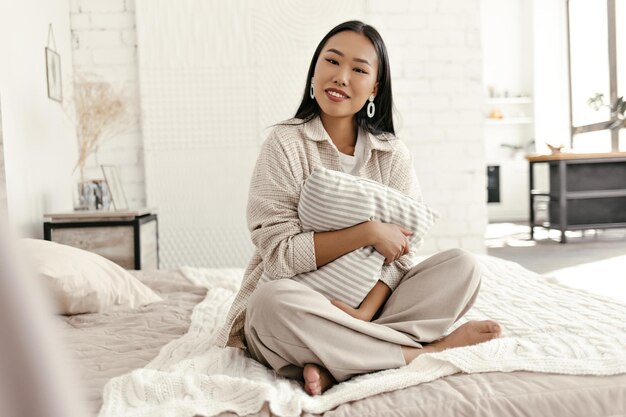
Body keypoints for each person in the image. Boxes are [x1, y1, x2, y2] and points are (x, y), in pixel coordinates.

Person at [216, 20, 501, 396]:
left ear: (374, 88)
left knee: (462, 267)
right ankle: (429, 351)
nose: (341, 77)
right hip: (297, 310)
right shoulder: (284, 144)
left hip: (373, 311)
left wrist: (365, 313)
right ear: (315, 69)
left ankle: (341, 361)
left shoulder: (392, 155)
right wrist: (367, 232)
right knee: (268, 303)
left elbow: (401, 257)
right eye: (332, 61)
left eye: (359, 69)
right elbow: (280, 256)